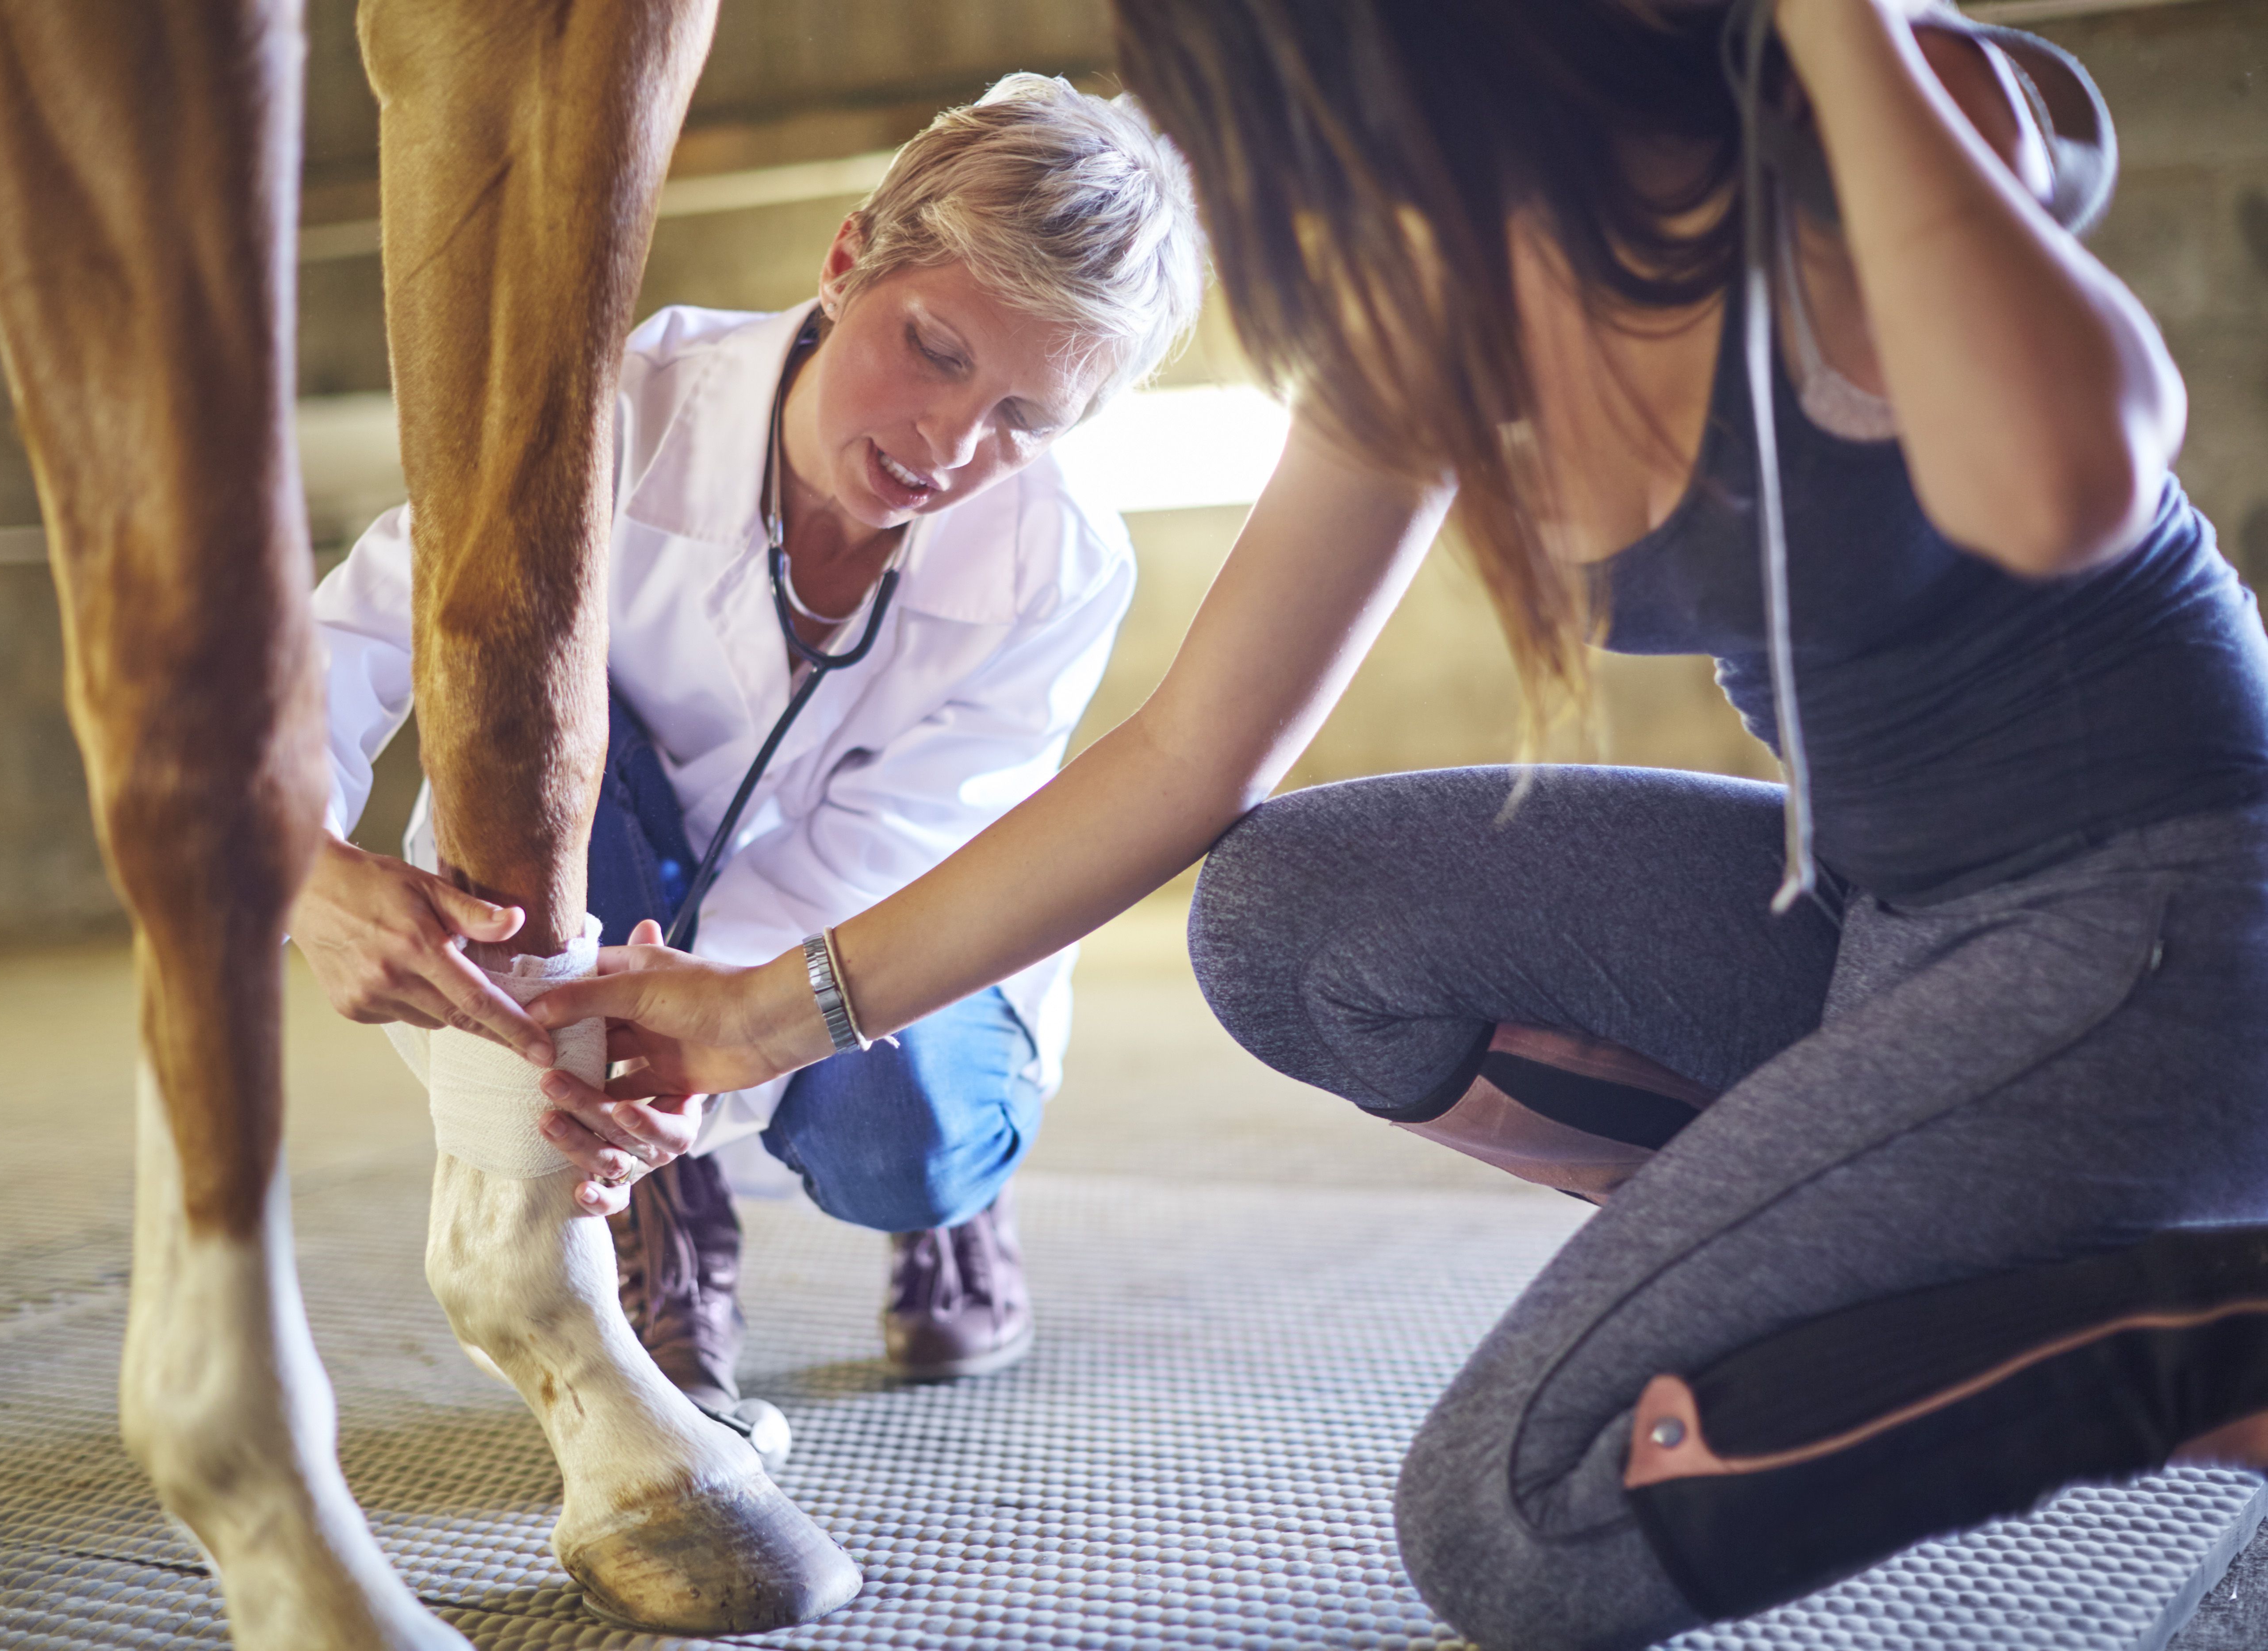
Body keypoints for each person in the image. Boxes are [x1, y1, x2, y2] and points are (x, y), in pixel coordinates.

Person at [526, 1, 2268, 1645]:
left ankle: (2203, 1327)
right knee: (1285, 917)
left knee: (1510, 1523)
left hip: (2160, 909)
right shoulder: (1417, 290)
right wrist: (754, 1012)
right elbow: (1185, 755)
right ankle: (1858, 1225)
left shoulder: (1828, 118)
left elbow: (2067, 482)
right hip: (1881, 912)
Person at [291, 73, 1204, 1452]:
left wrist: (680, 1058)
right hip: (626, 880)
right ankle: (666, 1213)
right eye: (939, 351)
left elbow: (887, 859)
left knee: (895, 1136)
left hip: (868, 934)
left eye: (1026, 417)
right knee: (526, 706)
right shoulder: (611, 413)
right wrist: (296, 867)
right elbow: (351, 641)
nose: (952, 450)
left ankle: (946, 1210)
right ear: (848, 262)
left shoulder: (1061, 557)